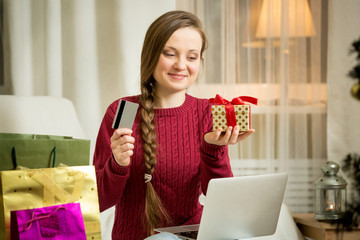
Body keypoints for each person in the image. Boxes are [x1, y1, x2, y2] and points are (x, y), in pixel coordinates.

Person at [93, 10, 254, 240]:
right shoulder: (123, 111)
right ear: (151, 55)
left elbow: (221, 200)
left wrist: (212, 150)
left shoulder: (207, 112)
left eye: (191, 57)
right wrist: (117, 163)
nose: (181, 65)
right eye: (170, 54)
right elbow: (96, 201)